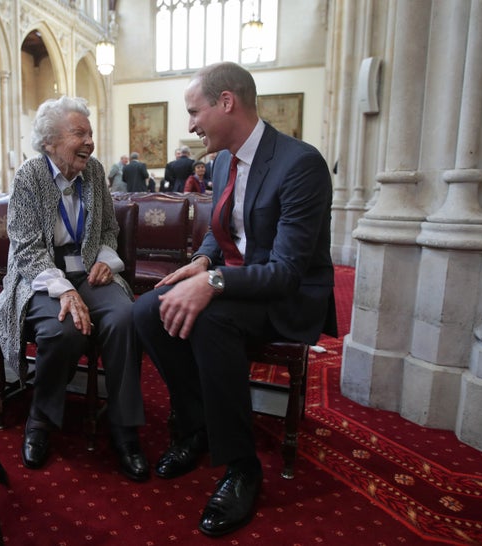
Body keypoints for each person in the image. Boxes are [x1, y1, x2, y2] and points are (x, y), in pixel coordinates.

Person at [133, 62, 336, 537]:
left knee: (208, 320)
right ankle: (199, 425)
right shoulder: (224, 159)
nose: (189, 126)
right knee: (146, 310)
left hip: (283, 297)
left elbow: (286, 273)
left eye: (193, 111)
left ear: (227, 103)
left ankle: (243, 466)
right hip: (236, 283)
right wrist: (203, 263)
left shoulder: (301, 164)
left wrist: (213, 284)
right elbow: (222, 230)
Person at [0, 96, 149, 482]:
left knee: (126, 317)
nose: (90, 142)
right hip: (40, 277)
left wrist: (106, 260)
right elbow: (26, 248)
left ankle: (125, 431)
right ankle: (40, 421)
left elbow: (109, 227)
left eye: (90, 133)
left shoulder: (94, 172)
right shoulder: (29, 176)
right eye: (79, 133)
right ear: (49, 141)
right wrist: (63, 290)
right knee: (61, 329)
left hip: (91, 271)